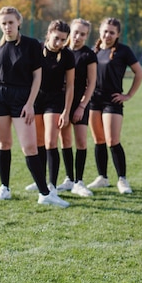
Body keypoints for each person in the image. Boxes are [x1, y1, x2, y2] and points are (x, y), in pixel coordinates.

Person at [0, 7, 68, 208]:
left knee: (29, 147)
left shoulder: (31, 45)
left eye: (11, 22)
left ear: (19, 22)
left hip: (22, 98)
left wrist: (30, 104)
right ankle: (4, 188)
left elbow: (37, 76)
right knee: (3, 144)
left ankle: (44, 193)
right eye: (3, 23)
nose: (7, 26)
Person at [87, 17, 142, 194]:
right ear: (100, 31)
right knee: (99, 141)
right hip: (94, 100)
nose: (107, 35)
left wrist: (128, 95)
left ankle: (122, 179)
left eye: (112, 32)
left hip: (112, 101)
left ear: (118, 34)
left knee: (112, 140)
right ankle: (102, 177)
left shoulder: (123, 51)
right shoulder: (93, 51)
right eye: (105, 31)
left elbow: (139, 73)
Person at [32, 20, 75, 195]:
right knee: (39, 143)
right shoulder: (36, 49)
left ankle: (52, 185)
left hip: (55, 101)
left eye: (63, 40)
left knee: (51, 142)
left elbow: (70, 85)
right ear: (49, 33)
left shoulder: (67, 55)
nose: (59, 43)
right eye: (57, 38)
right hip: (36, 100)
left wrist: (66, 111)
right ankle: (40, 181)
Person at [56, 18, 97, 197]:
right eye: (76, 32)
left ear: (87, 36)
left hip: (80, 104)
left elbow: (92, 83)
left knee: (80, 141)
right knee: (65, 142)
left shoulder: (88, 55)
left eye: (83, 34)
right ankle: (69, 179)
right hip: (62, 103)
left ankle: (79, 181)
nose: (78, 37)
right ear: (70, 32)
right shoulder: (61, 52)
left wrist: (82, 106)